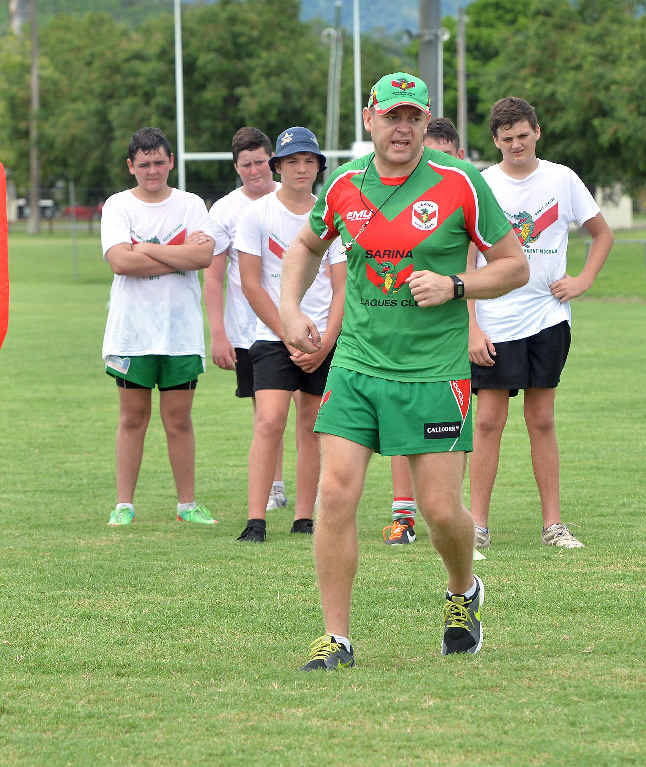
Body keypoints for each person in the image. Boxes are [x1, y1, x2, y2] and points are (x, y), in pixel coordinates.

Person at [279, 73, 529, 668]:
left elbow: (514, 266)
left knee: (439, 510)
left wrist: (455, 285)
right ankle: (336, 638)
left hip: (433, 371)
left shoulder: (460, 182)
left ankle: (463, 591)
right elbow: (306, 247)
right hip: (358, 364)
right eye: (391, 116)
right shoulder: (344, 184)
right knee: (335, 493)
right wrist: (289, 307)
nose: (402, 127)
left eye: (413, 117)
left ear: (425, 121)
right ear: (369, 119)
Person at [468, 97, 613, 550]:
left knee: (542, 419)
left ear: (537, 132)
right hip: (494, 319)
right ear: (496, 141)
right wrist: (472, 327)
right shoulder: (482, 185)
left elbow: (601, 233)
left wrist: (582, 280)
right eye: (507, 138)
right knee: (488, 421)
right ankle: (477, 526)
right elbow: (466, 259)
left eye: (523, 135)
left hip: (548, 318)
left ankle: (554, 525)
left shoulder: (561, 179)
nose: (517, 144)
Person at [100, 127, 218, 526]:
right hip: (132, 333)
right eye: (144, 164)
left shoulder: (191, 205)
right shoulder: (118, 206)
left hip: (179, 332)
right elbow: (120, 262)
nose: (152, 170)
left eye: (159, 162)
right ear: (131, 166)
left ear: (171, 162)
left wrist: (147, 249)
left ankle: (187, 505)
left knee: (179, 420)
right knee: (133, 418)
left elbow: (203, 258)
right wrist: (178, 254)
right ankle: (124, 505)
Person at [235, 127, 345, 542]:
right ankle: (255, 520)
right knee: (269, 420)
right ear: (278, 167)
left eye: (309, 161)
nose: (301, 168)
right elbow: (251, 284)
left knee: (313, 424)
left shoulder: (330, 215)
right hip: (273, 335)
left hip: (321, 340)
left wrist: (325, 342)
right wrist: (289, 333)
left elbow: (342, 287)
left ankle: (304, 517)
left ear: (319, 167)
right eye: (292, 161)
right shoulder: (257, 214)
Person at [382, 117, 467, 546]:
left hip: (452, 342)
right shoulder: (400, 202)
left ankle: (458, 517)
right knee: (401, 428)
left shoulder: (467, 196)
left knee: (452, 438)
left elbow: (486, 269)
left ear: (459, 156)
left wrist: (475, 327)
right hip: (402, 340)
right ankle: (403, 515)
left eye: (445, 157)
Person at [206, 127, 296, 513]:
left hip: (304, 323)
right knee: (266, 414)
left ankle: (314, 491)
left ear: (272, 162)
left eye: (260, 162)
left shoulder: (294, 199)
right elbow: (213, 276)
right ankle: (274, 486)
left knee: (309, 411)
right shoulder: (225, 210)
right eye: (247, 165)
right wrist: (218, 333)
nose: (255, 170)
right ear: (236, 167)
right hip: (251, 331)